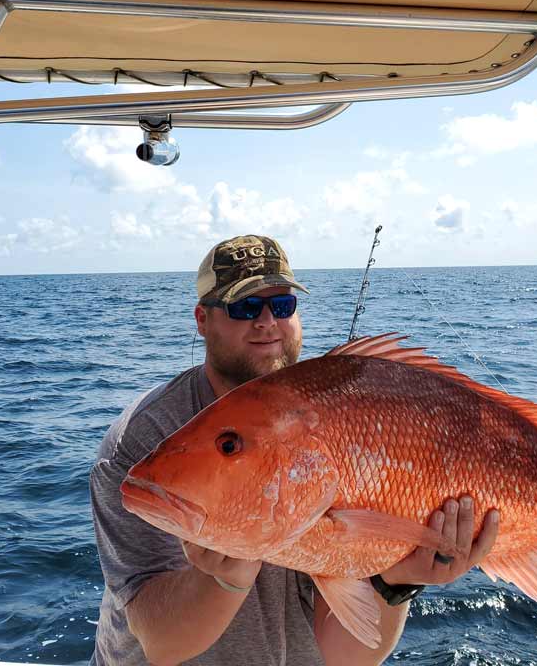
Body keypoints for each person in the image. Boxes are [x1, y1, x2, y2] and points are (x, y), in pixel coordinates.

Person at [89, 234, 499, 666]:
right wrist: (225, 581)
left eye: (282, 305)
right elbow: (159, 643)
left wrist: (396, 581)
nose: (266, 321)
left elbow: (343, 656)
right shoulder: (142, 445)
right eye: (244, 307)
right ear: (202, 320)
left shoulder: (336, 417)